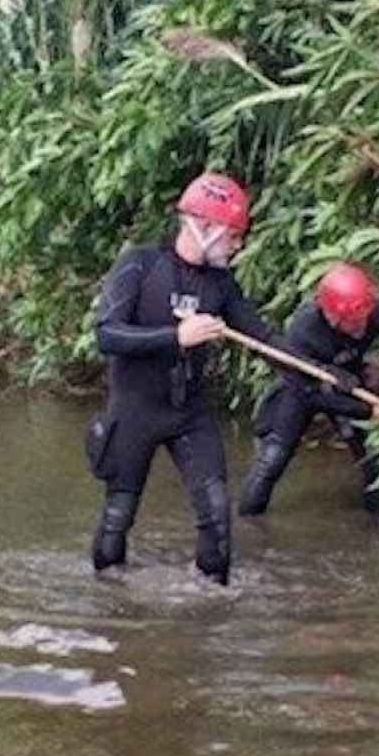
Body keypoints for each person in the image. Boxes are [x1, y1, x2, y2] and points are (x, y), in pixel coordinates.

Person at [85, 172, 281, 585]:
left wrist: (329, 375)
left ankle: (209, 604)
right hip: (134, 410)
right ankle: (109, 602)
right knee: (117, 518)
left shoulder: (221, 284)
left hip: (189, 413)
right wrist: (176, 336)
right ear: (203, 227)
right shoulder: (139, 263)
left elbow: (263, 338)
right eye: (233, 235)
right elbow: (107, 334)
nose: (237, 245)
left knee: (216, 513)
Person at [237, 262, 379, 517]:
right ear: (331, 316)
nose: (359, 327)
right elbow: (307, 391)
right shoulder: (304, 330)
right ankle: (249, 520)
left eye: (363, 320)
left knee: (372, 460)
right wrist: (369, 410)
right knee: (273, 459)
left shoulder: (372, 313)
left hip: (348, 384)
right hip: (304, 389)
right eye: (351, 322)